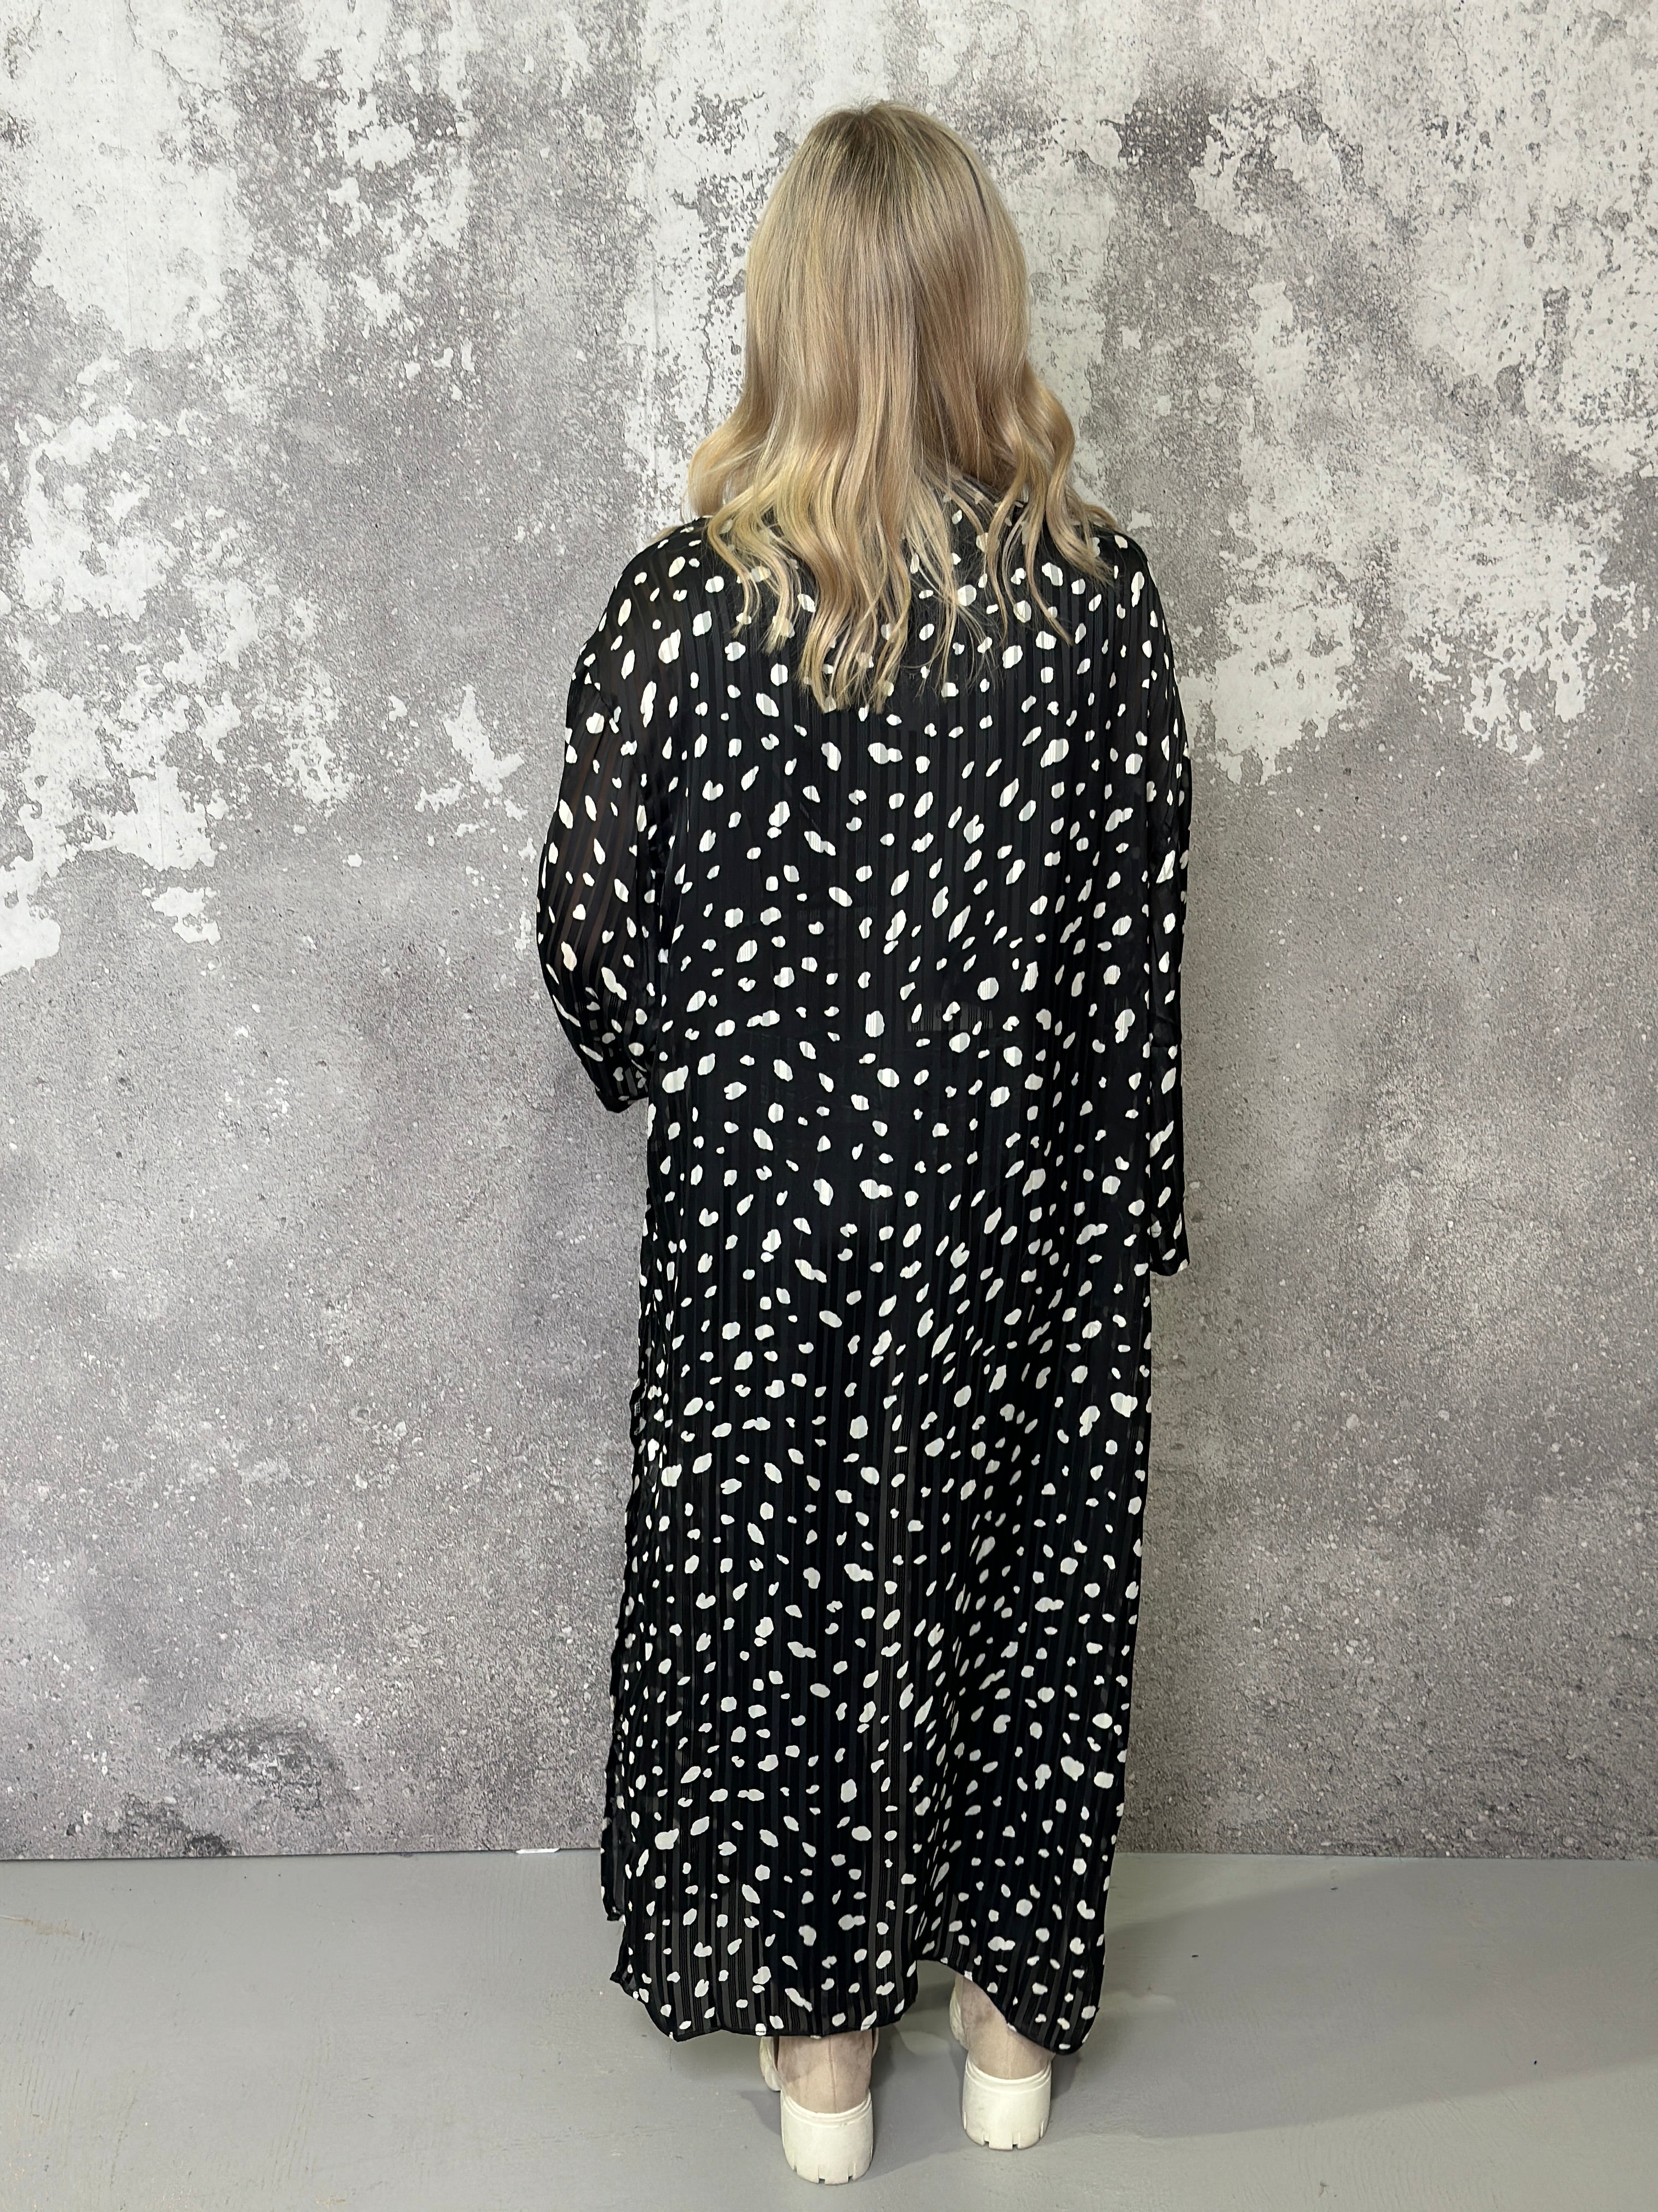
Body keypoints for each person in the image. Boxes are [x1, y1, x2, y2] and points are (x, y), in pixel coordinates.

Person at [535, 98, 1192, 2185]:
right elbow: (1136, 959)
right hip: (1028, 1235)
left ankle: (824, 2065)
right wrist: (1115, 1215)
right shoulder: (1098, 603)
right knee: (1025, 1612)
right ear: (981, 307)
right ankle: (1009, 2040)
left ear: (789, 318)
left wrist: (746, 1087)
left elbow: (591, 961)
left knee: (790, 1617)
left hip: (775, 1250)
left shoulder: (683, 612)